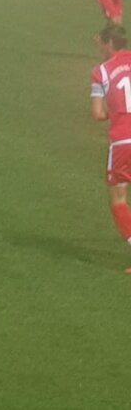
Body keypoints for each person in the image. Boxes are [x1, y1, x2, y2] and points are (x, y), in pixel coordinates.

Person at [89, 24, 131, 270]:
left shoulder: (101, 72)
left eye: (101, 44)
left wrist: (111, 112)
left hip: (123, 141)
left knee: (118, 199)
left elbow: (97, 114)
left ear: (109, 44)